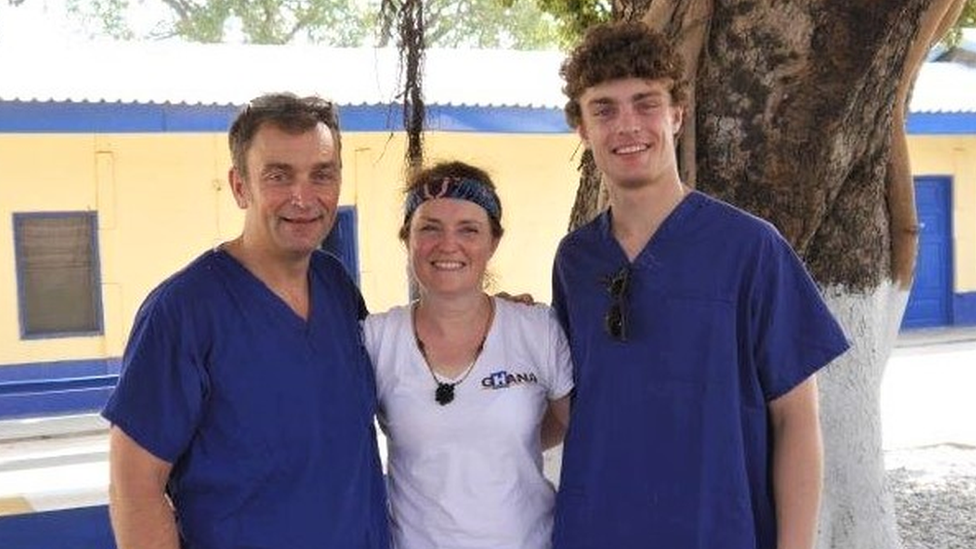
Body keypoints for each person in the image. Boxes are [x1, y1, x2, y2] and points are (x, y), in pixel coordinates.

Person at [550, 22, 850, 549]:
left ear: (676, 114)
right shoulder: (576, 260)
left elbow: (797, 422)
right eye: (604, 108)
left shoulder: (750, 249)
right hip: (598, 528)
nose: (627, 126)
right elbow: (566, 404)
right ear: (582, 128)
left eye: (646, 103)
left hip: (720, 530)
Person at [102, 93, 390, 549]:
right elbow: (134, 489)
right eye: (278, 176)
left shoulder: (335, 285)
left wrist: (487, 318)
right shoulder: (183, 311)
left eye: (322, 174)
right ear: (240, 187)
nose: (303, 196)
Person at [363, 161, 573, 549]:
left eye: (468, 229)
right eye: (429, 228)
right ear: (406, 238)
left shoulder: (537, 330)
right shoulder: (376, 339)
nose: (448, 245)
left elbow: (581, 432)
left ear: (493, 242)